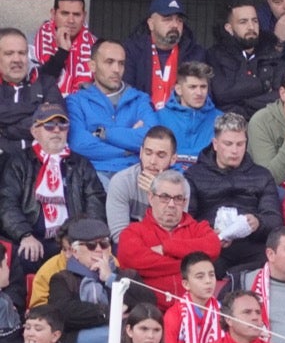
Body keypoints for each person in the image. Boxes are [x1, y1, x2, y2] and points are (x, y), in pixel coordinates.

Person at [1, 103, 106, 296]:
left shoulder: (81, 163)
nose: (56, 130)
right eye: (49, 125)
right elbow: (7, 203)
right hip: (33, 239)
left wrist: (83, 239)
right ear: (35, 131)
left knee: (95, 255)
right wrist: (25, 235)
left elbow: (95, 201)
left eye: (62, 125)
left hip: (73, 239)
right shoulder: (19, 162)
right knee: (20, 257)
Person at [185, 111, 284, 272]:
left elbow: (274, 219)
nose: (235, 150)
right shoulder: (194, 175)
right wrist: (209, 233)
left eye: (240, 144)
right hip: (210, 244)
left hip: (252, 246)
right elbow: (186, 219)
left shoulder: (262, 175)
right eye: (228, 144)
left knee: (275, 261)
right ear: (215, 144)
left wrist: (258, 222)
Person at [117, 169, 221, 312]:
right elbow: (131, 261)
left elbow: (213, 247)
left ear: (185, 202)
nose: (171, 204)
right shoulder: (132, 232)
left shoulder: (199, 228)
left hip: (195, 313)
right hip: (151, 315)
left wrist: (167, 247)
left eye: (178, 198)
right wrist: (190, 266)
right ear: (151, 197)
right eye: (164, 197)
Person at [64, 39, 159, 182]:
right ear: (92, 66)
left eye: (121, 63)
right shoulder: (76, 101)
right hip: (93, 174)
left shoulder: (140, 99)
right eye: (109, 62)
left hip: (134, 174)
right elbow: (79, 144)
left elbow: (153, 140)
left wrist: (103, 134)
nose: (116, 69)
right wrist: (128, 149)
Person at [122, 0, 207, 107]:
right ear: (151, 24)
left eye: (179, 20)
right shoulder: (132, 51)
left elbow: (201, 98)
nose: (175, 25)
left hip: (180, 120)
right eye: (167, 19)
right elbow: (126, 94)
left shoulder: (195, 53)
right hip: (142, 119)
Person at [209, 0, 285, 119]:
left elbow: (280, 97)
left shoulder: (272, 53)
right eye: (243, 22)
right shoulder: (216, 55)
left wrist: (240, 99)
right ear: (229, 28)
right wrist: (262, 85)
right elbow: (220, 94)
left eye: (255, 21)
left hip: (265, 124)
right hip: (230, 127)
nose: (251, 27)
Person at [104, 126, 179, 241]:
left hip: (167, 251)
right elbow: (119, 236)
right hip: (131, 250)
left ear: (173, 159)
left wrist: (158, 197)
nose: (152, 161)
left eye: (161, 155)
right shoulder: (122, 182)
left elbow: (177, 233)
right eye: (148, 153)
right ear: (140, 153)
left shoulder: (180, 187)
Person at [0, 27, 63, 159]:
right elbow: (41, 118)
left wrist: (6, 130)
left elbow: (53, 121)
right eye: (9, 53)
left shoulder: (46, 83)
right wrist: (35, 110)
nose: (17, 59)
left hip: (37, 163)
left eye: (22, 53)